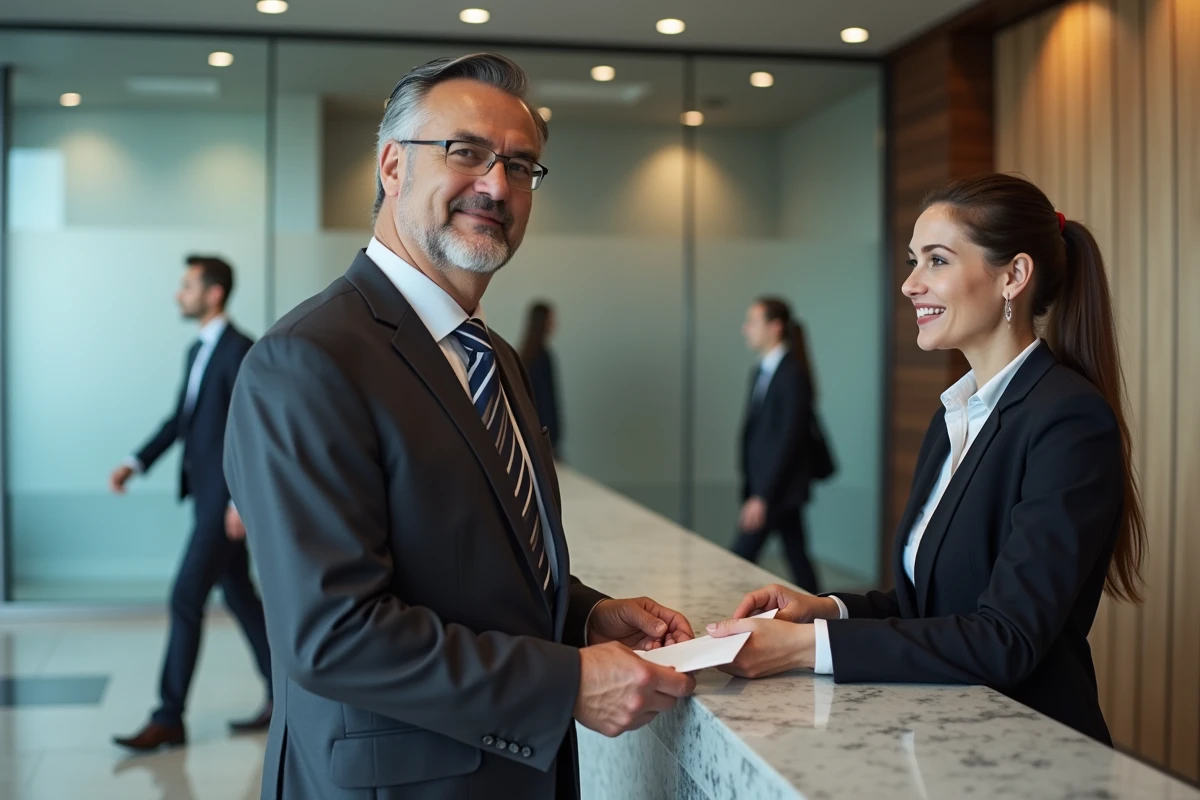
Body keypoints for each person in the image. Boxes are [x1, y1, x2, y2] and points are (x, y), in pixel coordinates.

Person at [223, 54, 696, 800]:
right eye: (466, 152)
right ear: (391, 167)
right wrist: (567, 680)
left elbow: (471, 564)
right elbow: (334, 635)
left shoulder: (491, 355)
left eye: (520, 164)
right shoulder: (307, 359)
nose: (496, 185)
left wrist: (586, 616)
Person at [707, 173, 1146, 746]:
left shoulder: (1067, 421)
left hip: (1027, 750)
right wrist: (826, 609)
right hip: (943, 738)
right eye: (913, 261)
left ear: (1013, 276)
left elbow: (1004, 638)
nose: (910, 284)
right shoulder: (956, 415)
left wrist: (803, 648)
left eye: (936, 261)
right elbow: (931, 606)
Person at [109, 255, 273, 751]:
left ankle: (168, 716)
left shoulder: (240, 350)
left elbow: (252, 431)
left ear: (214, 293)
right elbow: (182, 420)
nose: (179, 295)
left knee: (185, 598)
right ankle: (288, 692)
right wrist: (135, 462)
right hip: (205, 497)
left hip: (222, 505)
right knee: (241, 598)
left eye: (187, 286)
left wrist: (241, 502)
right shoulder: (196, 351)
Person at [731, 297, 821, 593]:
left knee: (738, 557)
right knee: (798, 557)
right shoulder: (762, 371)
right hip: (773, 489)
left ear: (775, 327)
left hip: (776, 490)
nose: (746, 329)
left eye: (752, 322)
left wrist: (761, 496)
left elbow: (788, 440)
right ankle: (824, 612)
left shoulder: (791, 374)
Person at [519, 300, 563, 452]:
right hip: (544, 437)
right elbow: (547, 401)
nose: (555, 324)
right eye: (551, 319)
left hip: (529, 434)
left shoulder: (523, 355)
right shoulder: (543, 358)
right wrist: (553, 437)